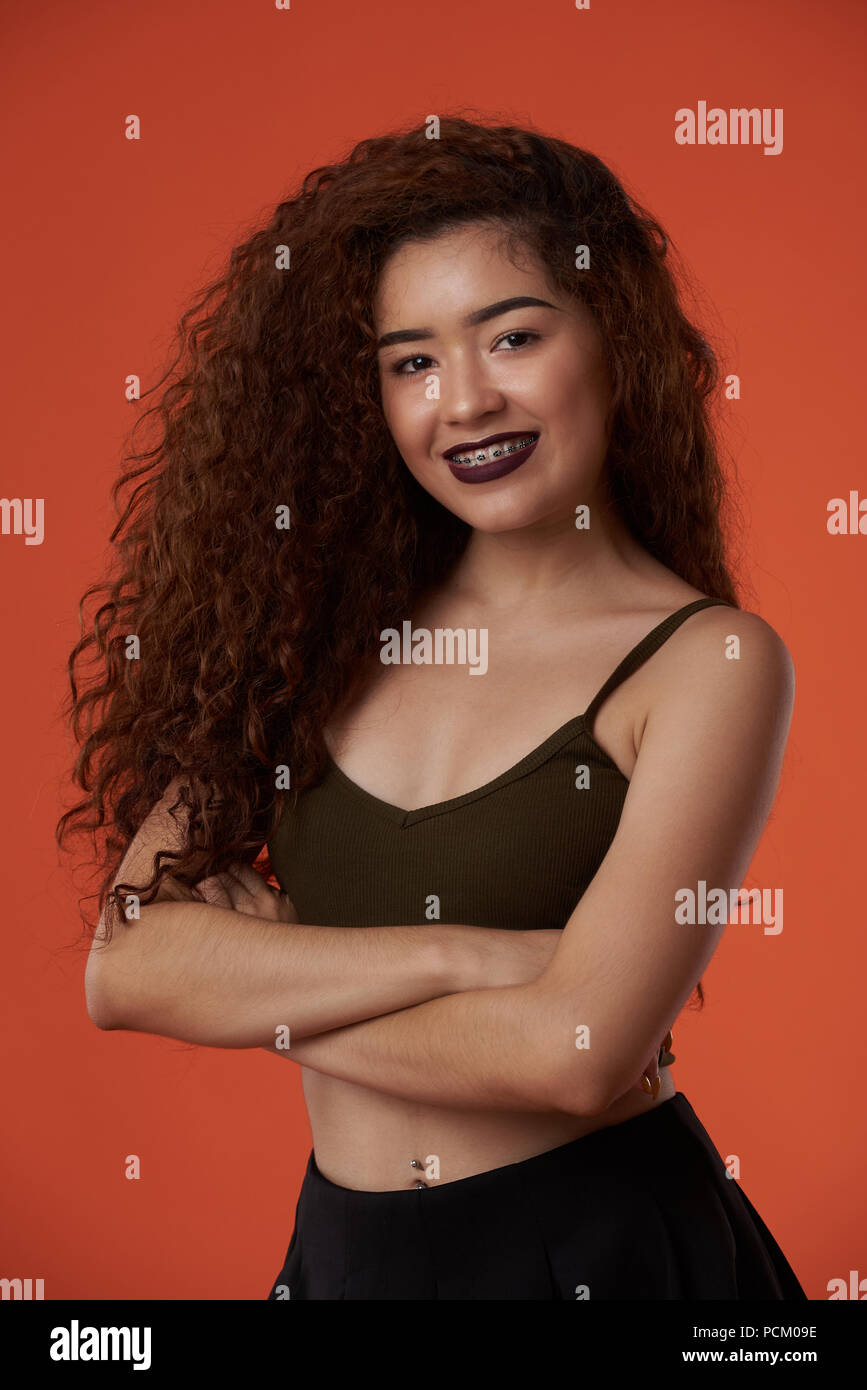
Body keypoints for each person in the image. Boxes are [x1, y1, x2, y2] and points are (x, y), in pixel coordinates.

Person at [63, 115, 808, 1300]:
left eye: (510, 336)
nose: (462, 400)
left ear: (615, 342)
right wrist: (470, 957)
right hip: (345, 1260)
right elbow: (127, 969)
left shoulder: (709, 664)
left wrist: (269, 979)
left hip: (602, 1257)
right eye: (410, 359)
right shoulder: (308, 630)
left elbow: (574, 1056)